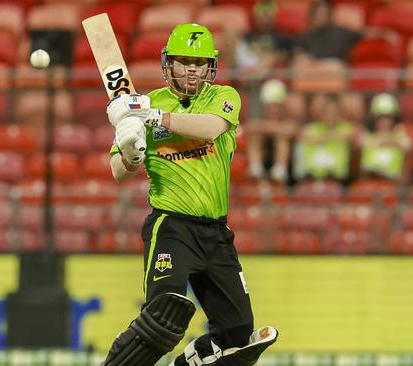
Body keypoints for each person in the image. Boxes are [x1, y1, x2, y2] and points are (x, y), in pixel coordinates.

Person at [101, 24, 278, 366]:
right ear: (169, 63)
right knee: (163, 317)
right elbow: (118, 172)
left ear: (210, 65)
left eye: (199, 61)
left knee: (239, 333)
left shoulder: (223, 97)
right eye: (184, 61)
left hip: (216, 233)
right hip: (172, 228)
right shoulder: (145, 103)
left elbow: (211, 129)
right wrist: (131, 154)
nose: (192, 68)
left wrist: (153, 118)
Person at [294, 93, 358, 182]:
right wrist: (323, 138)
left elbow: (355, 134)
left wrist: (327, 136)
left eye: (334, 112)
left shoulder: (345, 127)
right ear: (322, 114)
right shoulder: (312, 128)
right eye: (327, 113)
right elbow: (299, 136)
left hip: (336, 176)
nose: (331, 116)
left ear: (339, 114)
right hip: (311, 175)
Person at [246, 79, 297, 182]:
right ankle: (255, 167)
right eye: (271, 107)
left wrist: (266, 127)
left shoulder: (288, 119)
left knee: (282, 139)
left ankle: (280, 169)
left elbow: (290, 130)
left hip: (288, 166)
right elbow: (249, 127)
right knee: (256, 136)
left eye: (277, 107)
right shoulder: (259, 120)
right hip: (264, 157)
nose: (274, 110)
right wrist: (273, 127)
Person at [358, 93, 412, 183]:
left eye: (388, 117)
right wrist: (386, 141)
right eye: (381, 118)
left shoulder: (401, 136)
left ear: (394, 119)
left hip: (393, 183)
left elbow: (407, 146)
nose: (384, 121)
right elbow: (362, 143)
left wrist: (388, 141)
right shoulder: (367, 137)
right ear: (375, 119)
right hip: (370, 180)